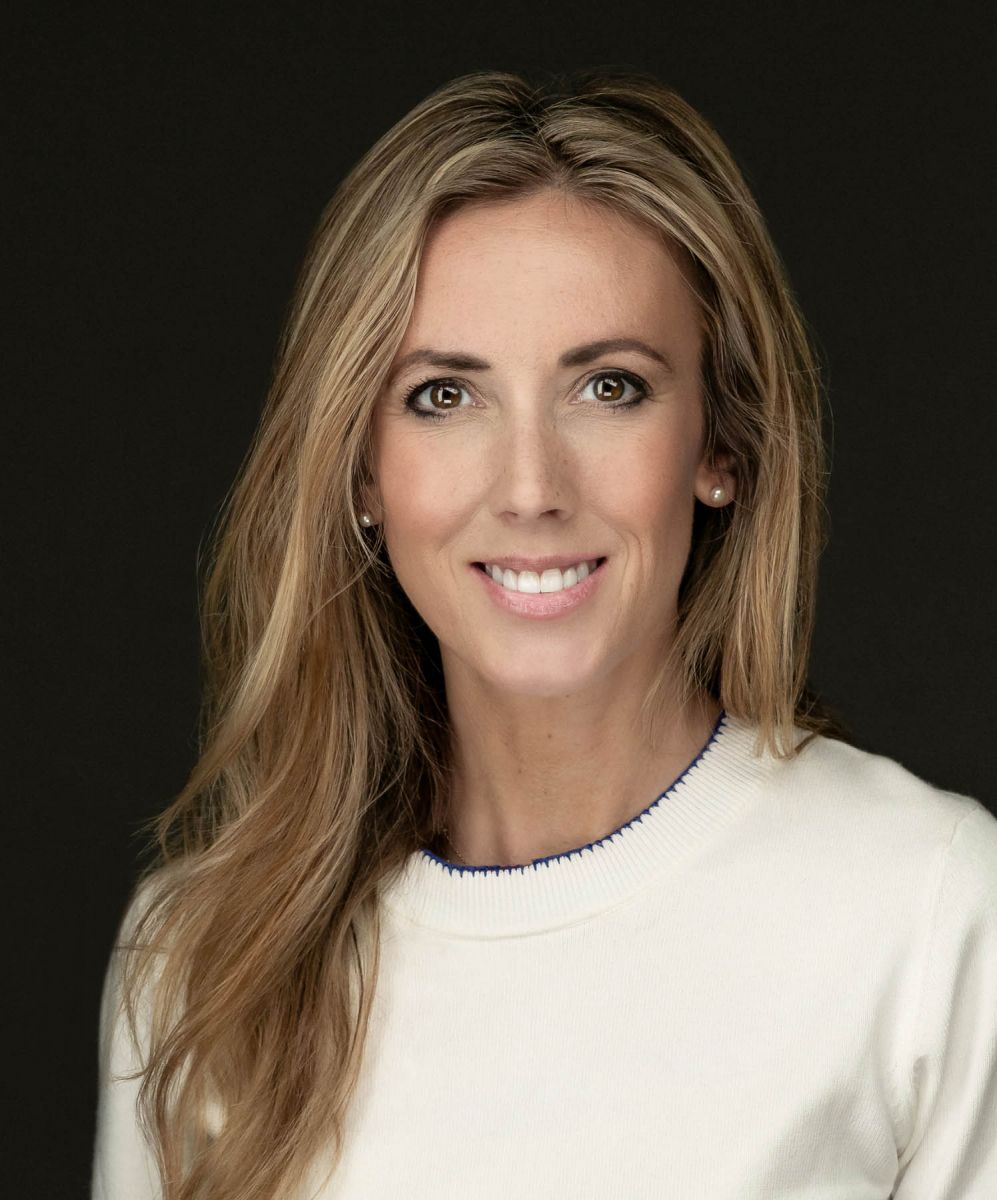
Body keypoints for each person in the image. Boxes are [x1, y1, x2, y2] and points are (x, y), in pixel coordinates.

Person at [92, 68, 997, 1199]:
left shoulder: (928, 911)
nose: (529, 489)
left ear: (721, 443)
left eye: (608, 388)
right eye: (443, 396)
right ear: (361, 473)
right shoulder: (201, 956)